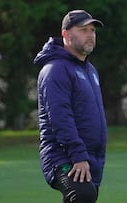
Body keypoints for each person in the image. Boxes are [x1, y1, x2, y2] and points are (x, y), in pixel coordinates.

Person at [34, 9, 107, 203]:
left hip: (90, 158)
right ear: (66, 34)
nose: (90, 35)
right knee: (83, 195)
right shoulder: (55, 70)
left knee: (86, 197)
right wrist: (78, 156)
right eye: (83, 30)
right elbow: (60, 118)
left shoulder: (90, 70)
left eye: (92, 30)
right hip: (63, 156)